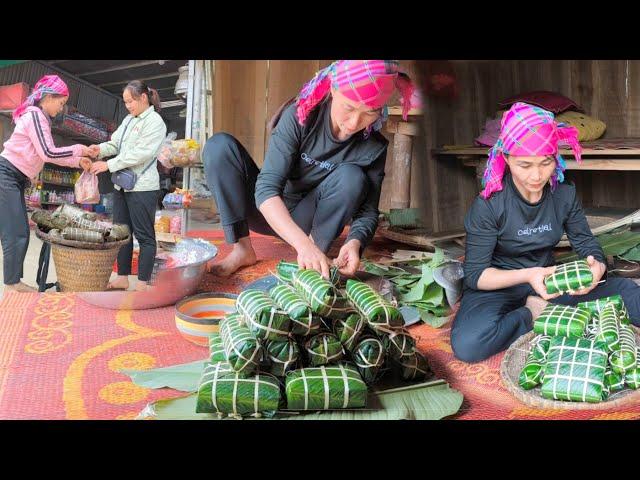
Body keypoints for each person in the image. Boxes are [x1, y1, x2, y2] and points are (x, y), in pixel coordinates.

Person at [451, 101, 640, 363]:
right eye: (524, 165)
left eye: (546, 162)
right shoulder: (489, 205)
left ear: (555, 158)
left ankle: (551, 308)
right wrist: (529, 276)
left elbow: (586, 243)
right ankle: (532, 313)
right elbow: (476, 275)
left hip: (549, 283)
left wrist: (596, 267)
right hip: (500, 285)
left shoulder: (564, 194)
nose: (536, 175)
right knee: (470, 344)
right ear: (506, 158)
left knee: (631, 296)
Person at [203, 60, 415, 278]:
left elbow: (368, 211)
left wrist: (354, 243)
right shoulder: (301, 115)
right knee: (219, 147)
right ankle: (242, 249)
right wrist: (301, 245)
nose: (354, 123)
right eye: (349, 107)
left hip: (311, 222)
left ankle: (315, 254)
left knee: (352, 177)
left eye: (369, 113)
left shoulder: (373, 147)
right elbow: (266, 189)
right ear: (333, 89)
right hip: (267, 211)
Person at [0, 75, 92, 293]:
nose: (61, 109)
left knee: (17, 230)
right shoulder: (35, 116)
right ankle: (13, 284)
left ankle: (13, 281)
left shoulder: (39, 117)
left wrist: (78, 161)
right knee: (16, 231)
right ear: (48, 97)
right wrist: (80, 148)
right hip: (6, 174)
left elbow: (48, 154)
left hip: (14, 178)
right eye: (60, 103)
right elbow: (49, 152)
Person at [88, 80, 167, 292]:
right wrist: (100, 150)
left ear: (143, 98)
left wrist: (108, 164)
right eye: (125, 102)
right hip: (122, 185)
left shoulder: (155, 122)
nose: (128, 106)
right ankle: (122, 277)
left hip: (143, 188)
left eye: (131, 101)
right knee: (121, 234)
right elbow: (115, 143)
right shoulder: (128, 120)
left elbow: (140, 154)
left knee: (145, 236)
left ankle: (141, 284)